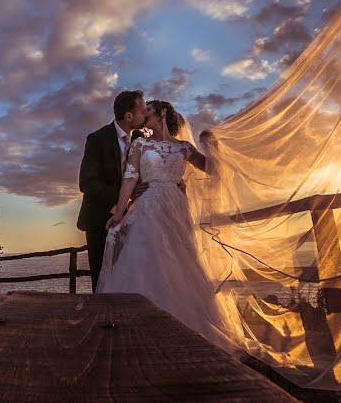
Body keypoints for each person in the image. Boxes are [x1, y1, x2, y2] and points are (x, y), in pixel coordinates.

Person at [98, 100, 238, 352]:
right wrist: (119, 212)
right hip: (148, 205)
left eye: (148, 111)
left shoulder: (184, 148)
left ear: (162, 114)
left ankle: (188, 328)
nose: (144, 115)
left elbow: (212, 169)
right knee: (147, 256)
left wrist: (213, 147)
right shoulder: (140, 144)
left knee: (180, 260)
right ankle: (140, 329)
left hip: (176, 207)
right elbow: (129, 180)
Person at [76, 90, 147, 292]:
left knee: (126, 275)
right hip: (99, 219)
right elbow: (87, 182)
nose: (145, 115)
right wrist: (125, 194)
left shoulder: (139, 139)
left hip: (130, 219)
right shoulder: (97, 139)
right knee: (101, 278)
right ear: (128, 116)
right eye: (142, 111)